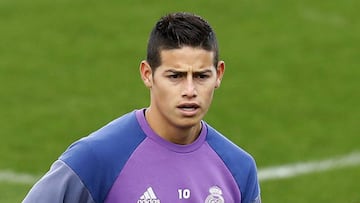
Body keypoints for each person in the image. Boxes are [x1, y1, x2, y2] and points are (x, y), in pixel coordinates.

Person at [23, 12, 261, 203]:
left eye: (201, 76)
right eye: (175, 76)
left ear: (218, 75)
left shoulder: (239, 168)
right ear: (148, 75)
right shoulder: (96, 158)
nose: (190, 90)